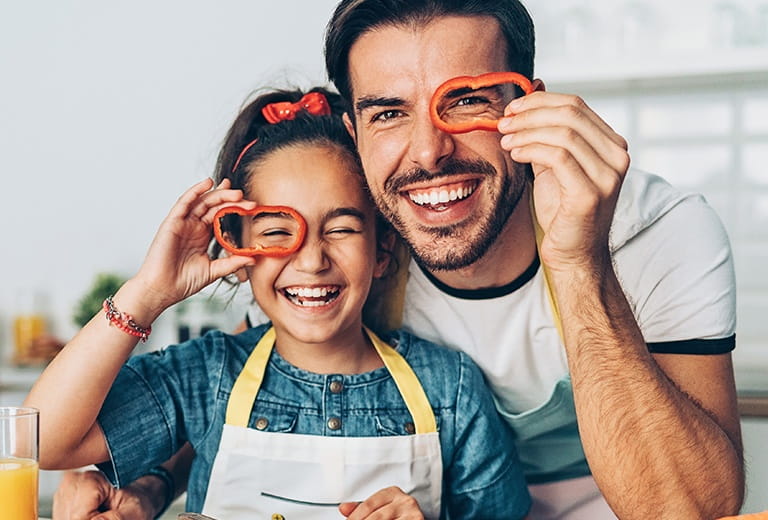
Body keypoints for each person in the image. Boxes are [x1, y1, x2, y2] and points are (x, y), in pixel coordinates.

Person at [53, 0, 745, 518]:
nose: (427, 153)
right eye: (389, 113)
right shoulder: (380, 235)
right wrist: (145, 479)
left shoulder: (661, 234)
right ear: (353, 133)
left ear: (527, 105)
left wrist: (578, 258)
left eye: (465, 100)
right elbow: (246, 381)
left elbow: (692, 511)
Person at [25, 87, 531, 519]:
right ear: (241, 252)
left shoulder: (452, 388)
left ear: (382, 249)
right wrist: (148, 292)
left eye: (341, 229)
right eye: (276, 232)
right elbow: (42, 441)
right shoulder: (208, 374)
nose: (311, 261)